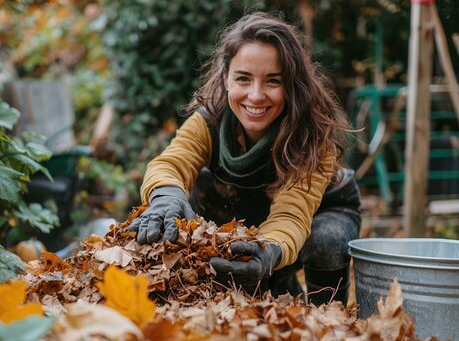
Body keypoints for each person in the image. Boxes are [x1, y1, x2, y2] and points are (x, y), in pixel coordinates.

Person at [128, 12, 361, 305]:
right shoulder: (208, 122)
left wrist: (267, 250)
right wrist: (166, 196)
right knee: (196, 193)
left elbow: (291, 216)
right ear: (226, 79)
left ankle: (329, 317)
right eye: (243, 78)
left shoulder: (312, 137)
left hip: (317, 218)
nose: (256, 95)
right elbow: (172, 163)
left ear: (291, 84)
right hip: (248, 213)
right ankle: (276, 285)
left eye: (273, 81)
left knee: (326, 242)